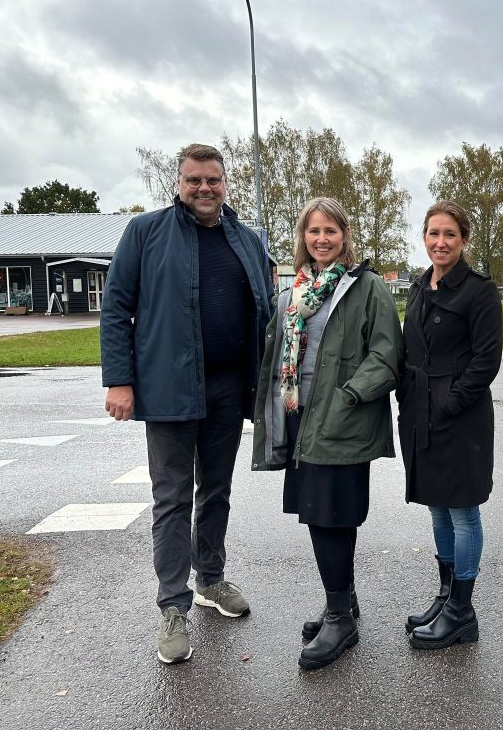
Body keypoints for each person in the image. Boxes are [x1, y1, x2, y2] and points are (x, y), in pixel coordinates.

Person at [100, 143, 273, 665]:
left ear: (225, 183)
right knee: (172, 498)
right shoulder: (146, 233)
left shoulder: (248, 239)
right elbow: (116, 310)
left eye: (212, 180)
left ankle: (211, 580)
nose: (204, 188)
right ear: (179, 182)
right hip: (171, 390)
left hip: (226, 390)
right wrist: (120, 381)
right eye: (194, 180)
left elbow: (268, 309)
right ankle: (173, 607)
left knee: (216, 490)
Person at [251, 196, 403, 670]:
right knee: (320, 514)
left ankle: (341, 618)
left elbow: (386, 354)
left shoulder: (367, 287)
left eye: (331, 231)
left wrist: (350, 396)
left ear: (345, 236)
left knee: (331, 515)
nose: (321, 239)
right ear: (303, 236)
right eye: (313, 231)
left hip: (342, 419)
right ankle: (343, 601)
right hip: (301, 417)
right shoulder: (296, 289)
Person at [399, 200, 503, 650]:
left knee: (463, 511)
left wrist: (450, 403)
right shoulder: (421, 286)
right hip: (419, 412)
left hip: (460, 416)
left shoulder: (479, 291)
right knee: (437, 506)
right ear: (424, 237)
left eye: (450, 235)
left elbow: (487, 361)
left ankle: (463, 611)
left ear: (464, 241)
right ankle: (445, 597)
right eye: (433, 234)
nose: (440, 243)